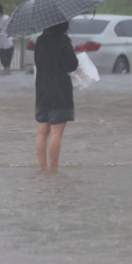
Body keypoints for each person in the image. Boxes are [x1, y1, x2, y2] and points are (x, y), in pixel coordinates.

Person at [34, 21, 79, 171]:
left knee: (41, 132)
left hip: (42, 89)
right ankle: (53, 170)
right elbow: (72, 64)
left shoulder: (40, 40)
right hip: (60, 90)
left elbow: (38, 63)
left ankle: (43, 167)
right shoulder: (63, 40)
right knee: (56, 133)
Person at [0, 4, 14, 75]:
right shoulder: (7, 17)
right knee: (7, 66)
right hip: (9, 44)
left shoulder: (3, 19)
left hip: (4, 47)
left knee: (6, 66)